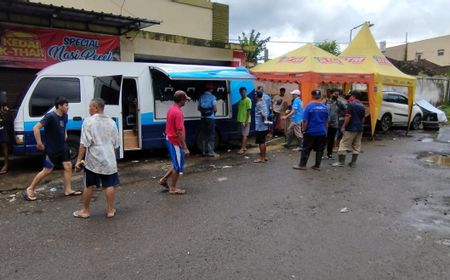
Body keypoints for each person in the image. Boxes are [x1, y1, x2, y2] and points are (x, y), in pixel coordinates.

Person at [23, 97, 81, 201]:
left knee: (68, 166)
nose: (68, 107)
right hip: (51, 149)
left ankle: (68, 189)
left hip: (62, 147)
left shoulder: (65, 116)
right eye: (66, 105)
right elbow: (35, 128)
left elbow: (64, 126)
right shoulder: (50, 117)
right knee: (47, 170)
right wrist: (39, 143)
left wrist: (65, 134)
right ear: (59, 106)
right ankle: (30, 189)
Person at [73, 98, 120, 219]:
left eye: (90, 107)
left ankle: (85, 211)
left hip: (93, 160)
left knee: (88, 185)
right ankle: (110, 210)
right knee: (109, 184)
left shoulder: (88, 122)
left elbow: (83, 143)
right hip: (109, 159)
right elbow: (116, 143)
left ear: (96, 108)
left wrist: (78, 160)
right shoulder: (112, 122)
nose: (88, 109)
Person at [158, 90, 191, 194]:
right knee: (177, 165)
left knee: (175, 162)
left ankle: (163, 180)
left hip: (170, 139)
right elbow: (179, 132)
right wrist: (185, 147)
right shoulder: (177, 112)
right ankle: (173, 188)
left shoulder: (172, 109)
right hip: (175, 141)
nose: (186, 101)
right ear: (181, 100)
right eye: (185, 99)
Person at [293, 89, 329, 171]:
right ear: (320, 96)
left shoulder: (309, 106)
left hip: (311, 131)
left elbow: (305, 121)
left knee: (306, 148)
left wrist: (303, 130)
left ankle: (302, 165)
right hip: (322, 132)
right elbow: (327, 121)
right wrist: (325, 131)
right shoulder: (325, 107)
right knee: (320, 149)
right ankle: (317, 166)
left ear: (312, 96)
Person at [332, 91, 366, 168]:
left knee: (343, 144)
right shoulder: (362, 106)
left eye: (351, 96)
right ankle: (353, 163)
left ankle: (341, 162)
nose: (350, 97)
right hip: (359, 128)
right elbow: (363, 119)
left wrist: (343, 126)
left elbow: (348, 116)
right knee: (356, 145)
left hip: (350, 128)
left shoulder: (351, 104)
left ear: (353, 96)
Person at [198, 83, 219, 157]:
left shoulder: (201, 97)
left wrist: (204, 112)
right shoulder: (213, 97)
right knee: (211, 134)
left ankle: (203, 151)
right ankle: (211, 152)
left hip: (203, 118)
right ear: (210, 89)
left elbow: (199, 108)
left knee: (204, 134)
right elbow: (215, 108)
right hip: (210, 118)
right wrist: (212, 113)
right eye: (212, 88)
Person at [323, 89, 340, 160]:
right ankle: (321, 154)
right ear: (331, 94)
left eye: (337, 94)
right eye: (335, 94)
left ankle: (329, 154)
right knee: (324, 139)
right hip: (325, 124)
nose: (336, 96)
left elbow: (345, 110)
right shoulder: (326, 102)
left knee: (331, 140)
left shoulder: (339, 103)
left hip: (334, 124)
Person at [254, 90, 269, 163]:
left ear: (257, 95)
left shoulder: (259, 104)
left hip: (260, 126)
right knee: (263, 141)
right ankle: (264, 156)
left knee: (261, 142)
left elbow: (263, 114)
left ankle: (262, 158)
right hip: (264, 126)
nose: (254, 95)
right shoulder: (263, 102)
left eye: (255, 94)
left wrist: (264, 121)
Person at [237, 86, 252, 155]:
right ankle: (244, 147)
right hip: (240, 120)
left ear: (246, 92)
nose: (243, 93)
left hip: (245, 120)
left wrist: (246, 121)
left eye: (244, 92)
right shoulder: (240, 100)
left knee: (244, 135)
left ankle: (242, 148)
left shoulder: (248, 100)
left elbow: (249, 111)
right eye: (242, 92)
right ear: (240, 93)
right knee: (242, 135)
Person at [0, 98, 10, 175]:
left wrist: (5, 110)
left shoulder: (3, 109)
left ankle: (6, 165)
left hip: (2, 129)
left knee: (4, 146)